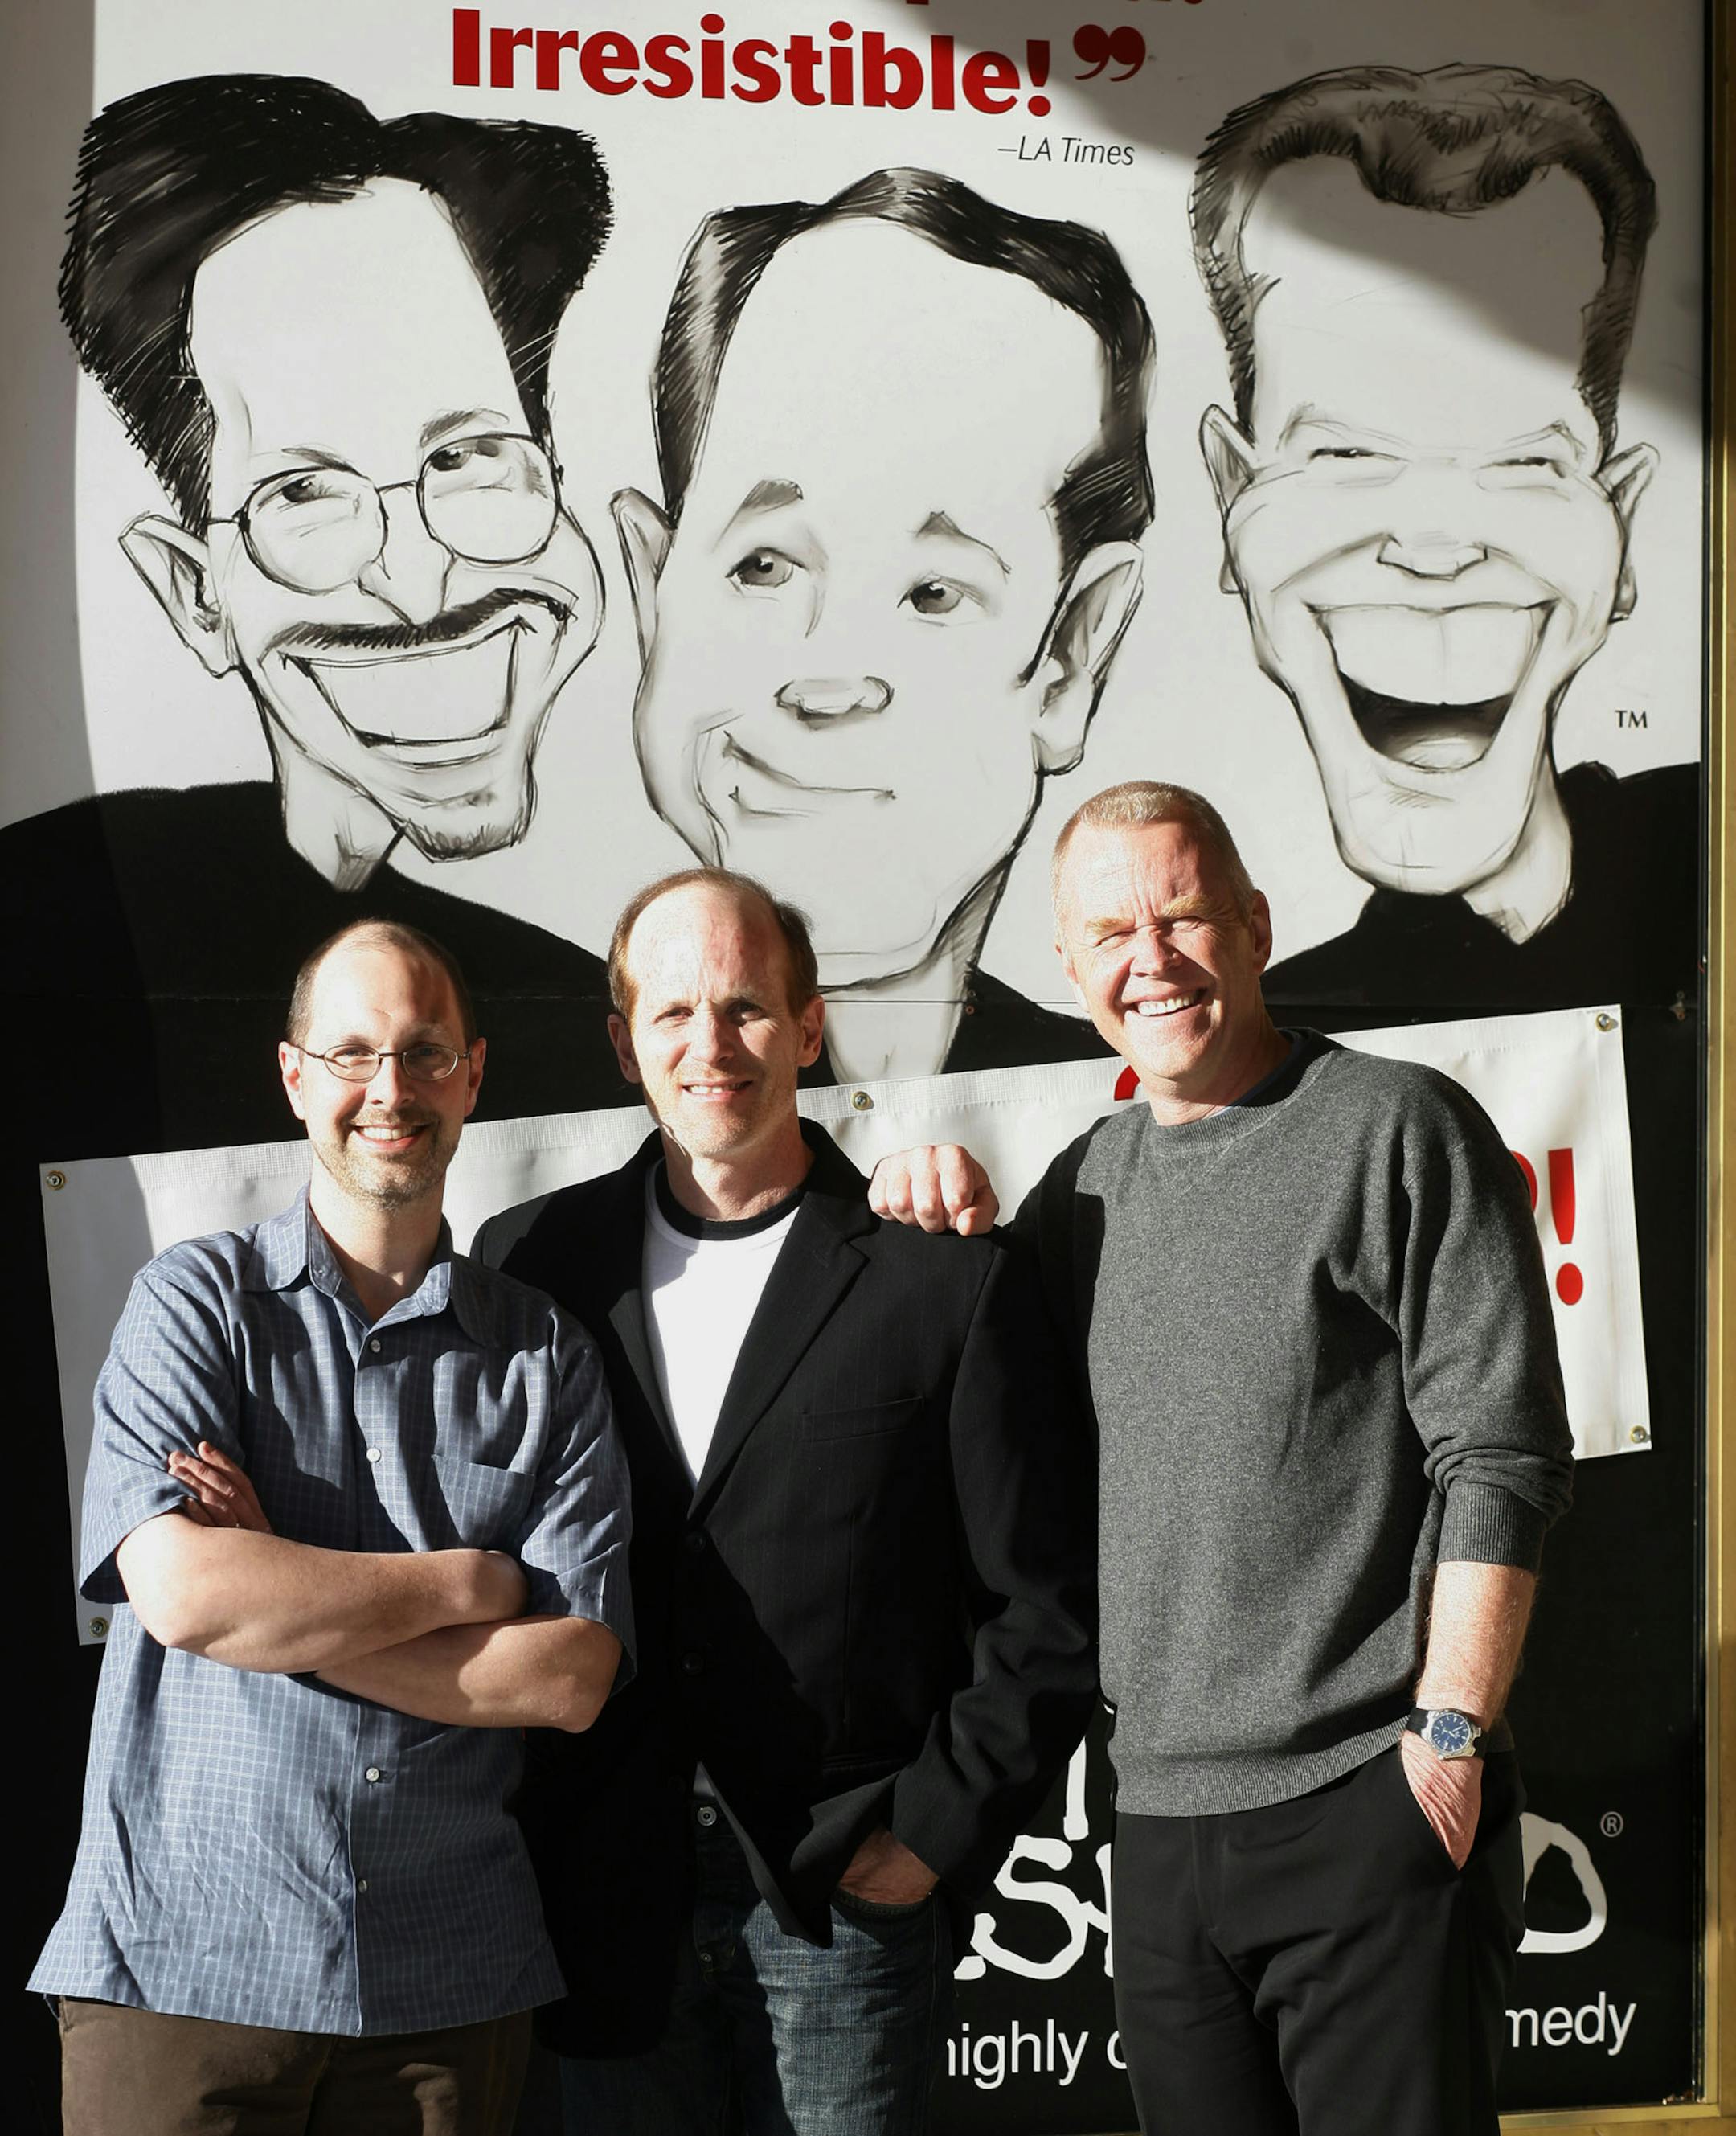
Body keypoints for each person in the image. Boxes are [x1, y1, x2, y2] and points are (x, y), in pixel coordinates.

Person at [872, 781, 1574, 2135]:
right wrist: (925, 1198)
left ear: (1254, 925)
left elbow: (1501, 1454)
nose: (1154, 959)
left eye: (1185, 915)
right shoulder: (1081, 1188)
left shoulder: (1392, 1126)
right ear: (1071, 967)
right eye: (1112, 932)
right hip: (1160, 1837)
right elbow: (990, 1425)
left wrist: (1446, 1741)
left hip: (1366, 1802)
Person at [472, 867, 1096, 2133]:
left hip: (840, 1910)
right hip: (603, 1903)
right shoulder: (535, 1266)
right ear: (624, 1040)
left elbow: (1046, 1609)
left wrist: (920, 1841)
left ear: (809, 1027)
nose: (713, 1047)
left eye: (749, 1008)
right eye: (674, 1013)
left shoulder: (942, 1277)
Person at [31, 920, 633, 2135]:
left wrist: (280, 1594)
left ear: (472, 1073)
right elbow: (188, 1597)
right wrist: (466, 1583)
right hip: (184, 1972)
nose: (390, 1089)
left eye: (423, 1051)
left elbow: (569, 1677)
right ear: (296, 1076)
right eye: (352, 1052)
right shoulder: (194, 1303)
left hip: (446, 1994)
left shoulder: (544, 1356)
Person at [5, 72, 628, 1154]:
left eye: (469, 457)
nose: (417, 572)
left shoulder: (636, 1003)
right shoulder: (59, 931)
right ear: (198, 594)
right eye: (302, 493)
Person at [618, 166, 1152, 1081]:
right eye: (764, 566)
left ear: (1070, 659)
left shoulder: (1114, 1130)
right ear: (649, 589)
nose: (828, 680)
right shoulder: (497, 1109)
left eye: (934, 594)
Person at [1191, 63, 1697, 1011]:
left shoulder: (1712, 854)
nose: (1433, 547)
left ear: (1618, 522)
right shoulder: (1273, 1036)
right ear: (1231, 499)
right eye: (1341, 454)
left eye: (1524, 464)